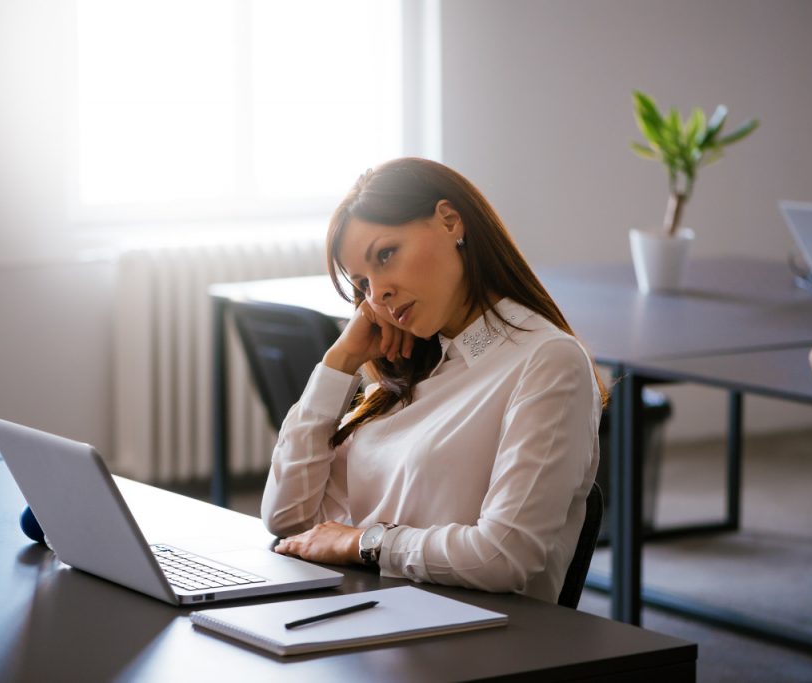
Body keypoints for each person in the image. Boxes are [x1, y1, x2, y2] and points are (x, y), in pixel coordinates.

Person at [260, 157, 608, 602]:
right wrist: (338, 363)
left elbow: (504, 556)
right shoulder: (410, 369)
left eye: (386, 255)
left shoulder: (548, 361)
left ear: (450, 221)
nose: (378, 294)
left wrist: (361, 542)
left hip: (477, 642)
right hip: (376, 618)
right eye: (363, 283)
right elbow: (287, 517)